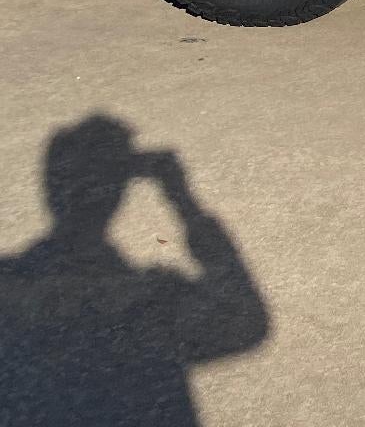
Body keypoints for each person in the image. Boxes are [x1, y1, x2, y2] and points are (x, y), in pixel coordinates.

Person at [0, 115, 269, 426]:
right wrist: (183, 199)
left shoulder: (10, 286)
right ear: (120, 192)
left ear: (51, 188)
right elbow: (247, 321)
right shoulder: (150, 301)